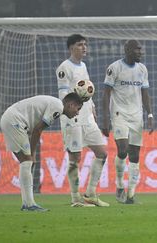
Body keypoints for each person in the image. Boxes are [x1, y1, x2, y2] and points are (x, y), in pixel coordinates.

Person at [0, 93, 83, 211]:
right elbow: (37, 130)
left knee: (26, 163)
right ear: (71, 104)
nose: (77, 112)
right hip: (15, 121)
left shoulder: (55, 104)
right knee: (27, 161)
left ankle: (27, 203)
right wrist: (33, 154)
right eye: (78, 108)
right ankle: (29, 205)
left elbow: (36, 130)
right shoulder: (58, 107)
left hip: (11, 119)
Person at [56, 34, 109, 207]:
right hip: (73, 118)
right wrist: (75, 105)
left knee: (102, 153)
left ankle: (91, 193)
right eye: (80, 45)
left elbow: (86, 89)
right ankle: (75, 197)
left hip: (87, 118)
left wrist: (92, 107)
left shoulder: (83, 65)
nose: (84, 47)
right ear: (71, 47)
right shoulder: (64, 68)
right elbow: (64, 95)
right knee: (75, 157)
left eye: (85, 45)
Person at [102, 40, 154, 204]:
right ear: (127, 50)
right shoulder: (114, 68)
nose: (140, 52)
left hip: (136, 116)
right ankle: (119, 185)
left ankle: (131, 194)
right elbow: (106, 94)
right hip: (119, 114)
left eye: (141, 49)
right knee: (123, 150)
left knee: (135, 155)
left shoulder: (142, 69)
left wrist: (150, 115)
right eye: (137, 49)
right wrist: (105, 118)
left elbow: (145, 94)